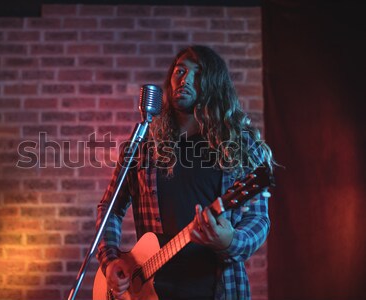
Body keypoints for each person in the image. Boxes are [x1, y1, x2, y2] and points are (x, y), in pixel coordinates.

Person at [96, 45, 274, 300]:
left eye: (197, 73)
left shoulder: (241, 146)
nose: (185, 79)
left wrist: (230, 241)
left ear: (215, 83)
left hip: (219, 290)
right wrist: (111, 260)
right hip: (148, 291)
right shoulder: (144, 147)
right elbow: (110, 208)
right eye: (179, 71)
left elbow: (259, 219)